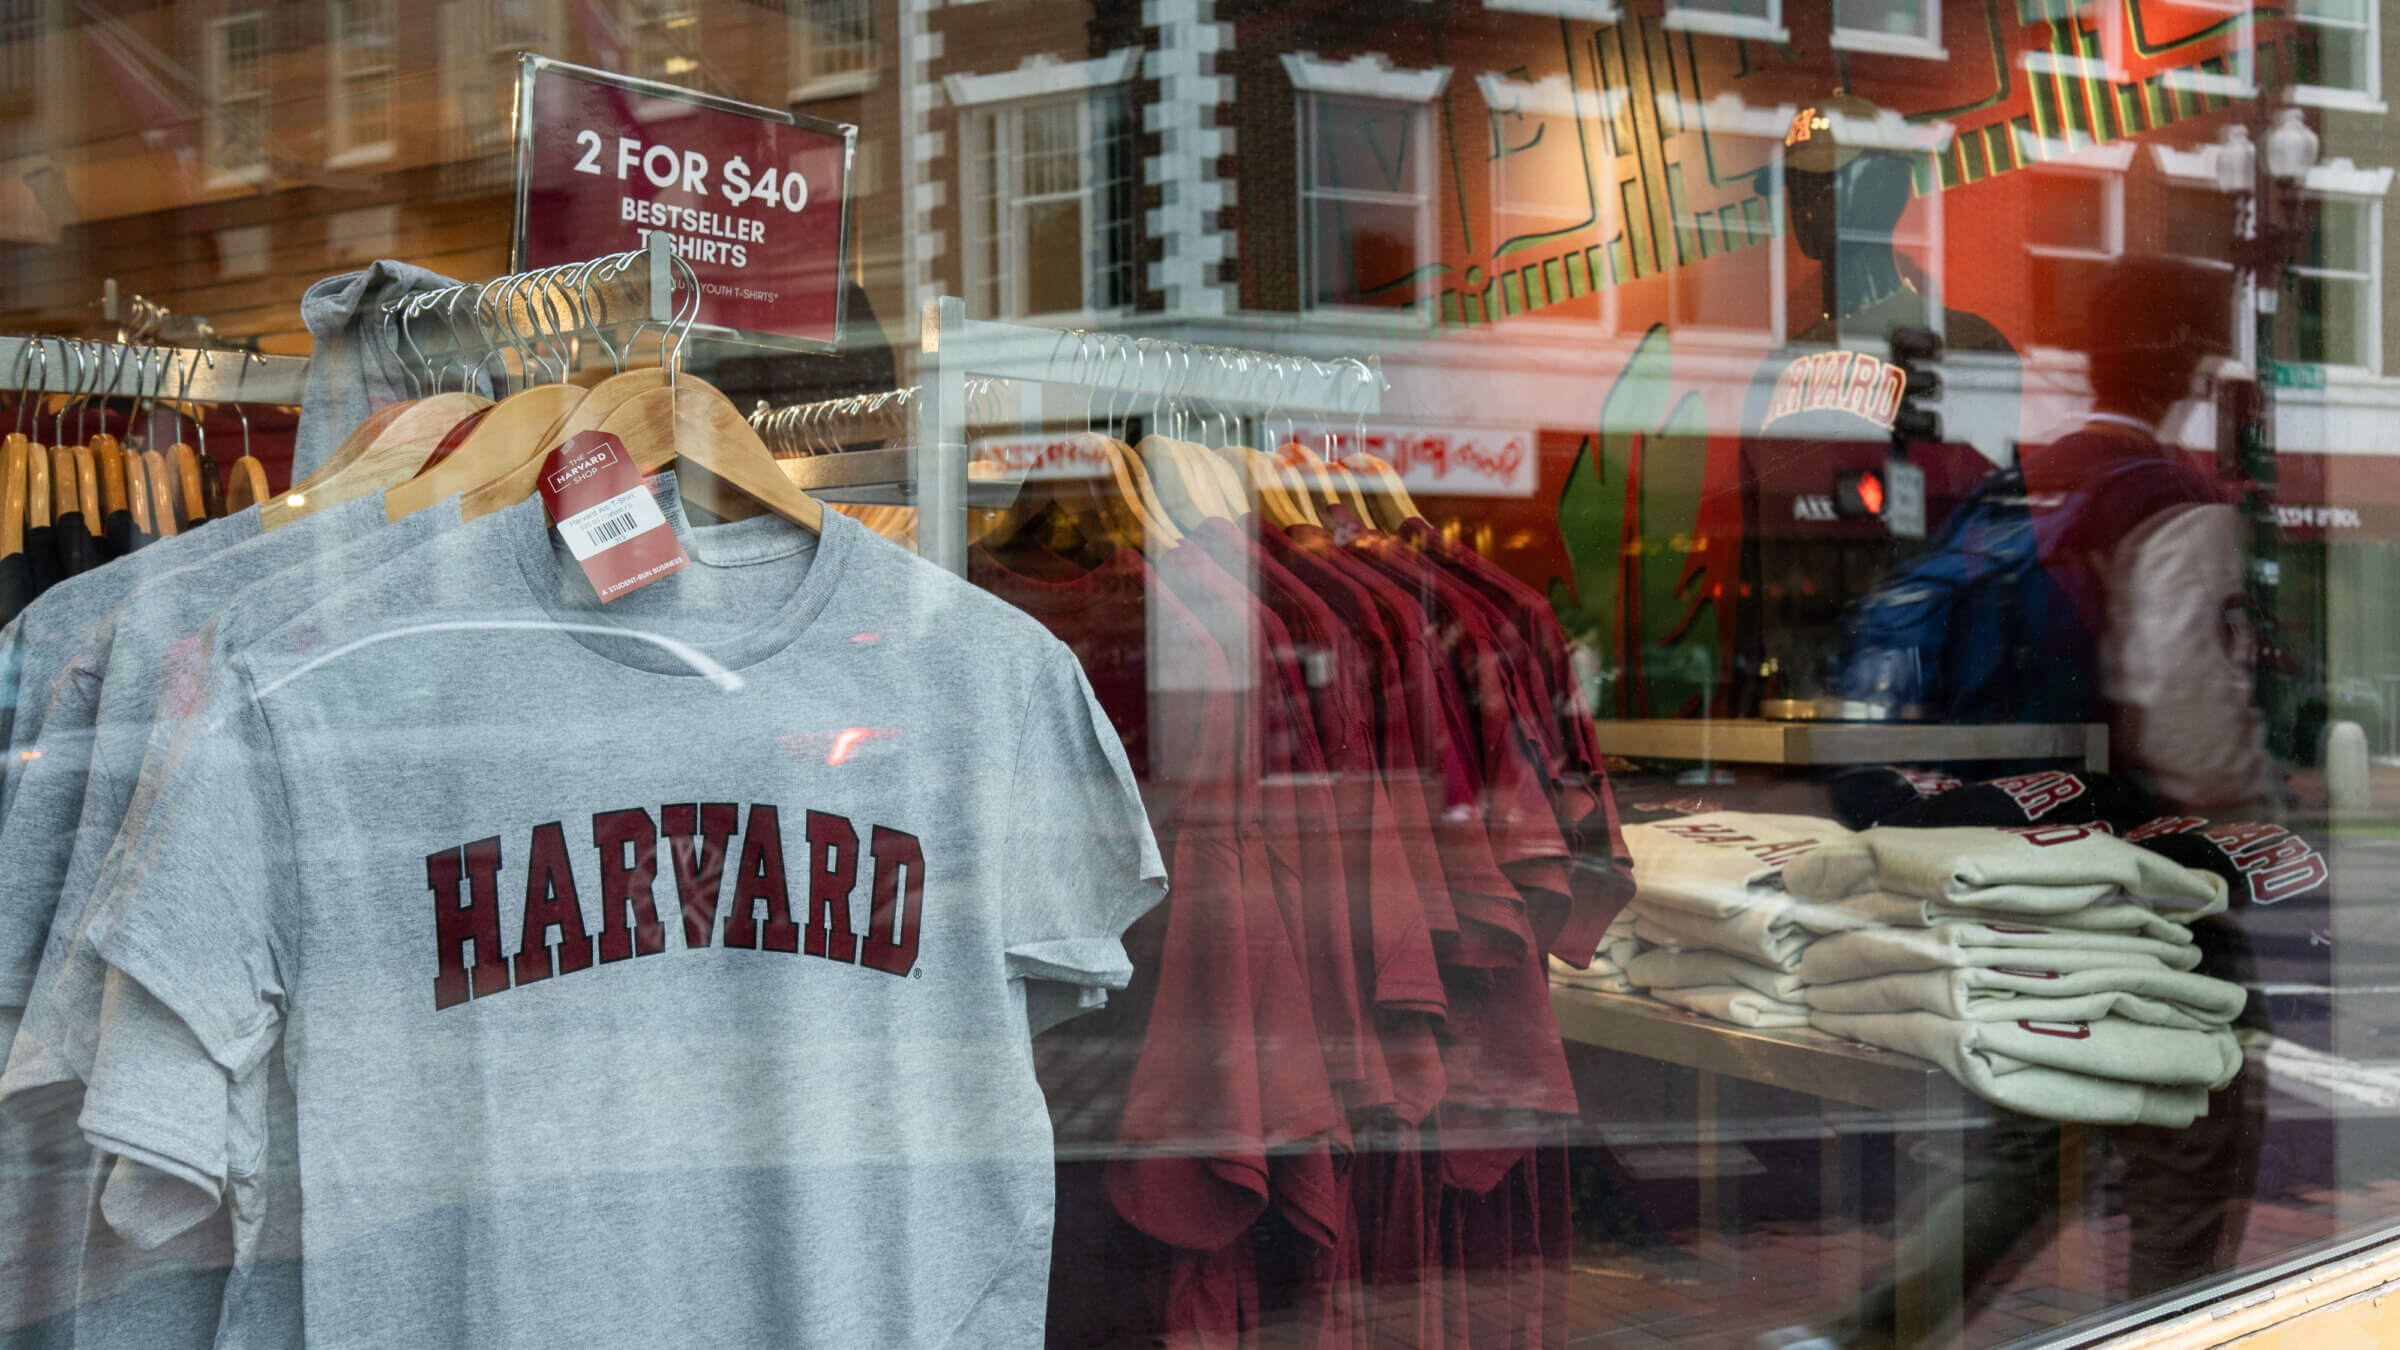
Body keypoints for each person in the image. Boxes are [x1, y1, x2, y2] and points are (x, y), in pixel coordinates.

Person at [1765, 255, 2272, 1349]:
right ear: (2191, 362)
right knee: (2192, 1157)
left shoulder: (2026, 483)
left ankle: (1855, 1339)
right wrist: (2261, 816)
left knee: (2033, 1157)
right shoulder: (2171, 502)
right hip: (2147, 890)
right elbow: (2192, 731)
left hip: (2021, 868)